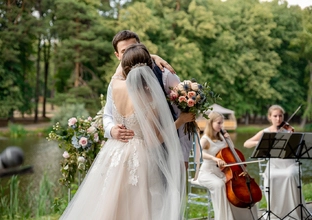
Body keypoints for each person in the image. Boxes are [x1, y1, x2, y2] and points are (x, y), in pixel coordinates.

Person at [60, 43, 186, 219]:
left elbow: (125, 67)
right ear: (149, 68)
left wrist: (152, 58)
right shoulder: (149, 98)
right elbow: (152, 141)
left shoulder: (115, 85)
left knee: (111, 204)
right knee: (141, 207)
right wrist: (181, 120)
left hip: (115, 152)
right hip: (141, 158)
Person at [103, 30, 194, 169]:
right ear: (118, 56)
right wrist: (111, 130)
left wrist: (184, 156)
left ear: (140, 46)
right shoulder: (117, 85)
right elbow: (107, 115)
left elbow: (182, 114)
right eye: (125, 51)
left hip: (166, 154)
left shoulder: (165, 75)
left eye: (133, 47)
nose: (130, 52)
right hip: (141, 160)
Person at [244, 104, 312, 219]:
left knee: (290, 174)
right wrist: (259, 143)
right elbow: (246, 143)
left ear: (283, 116)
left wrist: (293, 136)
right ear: (269, 117)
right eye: (275, 116)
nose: (278, 119)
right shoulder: (265, 132)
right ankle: (276, 211)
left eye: (280, 116)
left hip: (290, 164)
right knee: (271, 176)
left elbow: (298, 147)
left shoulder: (289, 130)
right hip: (274, 166)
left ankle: (293, 210)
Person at [197, 111, 258, 220]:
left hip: (222, 172)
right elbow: (199, 154)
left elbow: (232, 152)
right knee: (220, 185)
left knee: (238, 189)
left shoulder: (222, 137)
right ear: (210, 123)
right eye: (219, 123)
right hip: (207, 173)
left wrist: (228, 139)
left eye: (222, 123)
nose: (221, 126)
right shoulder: (205, 139)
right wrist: (214, 158)